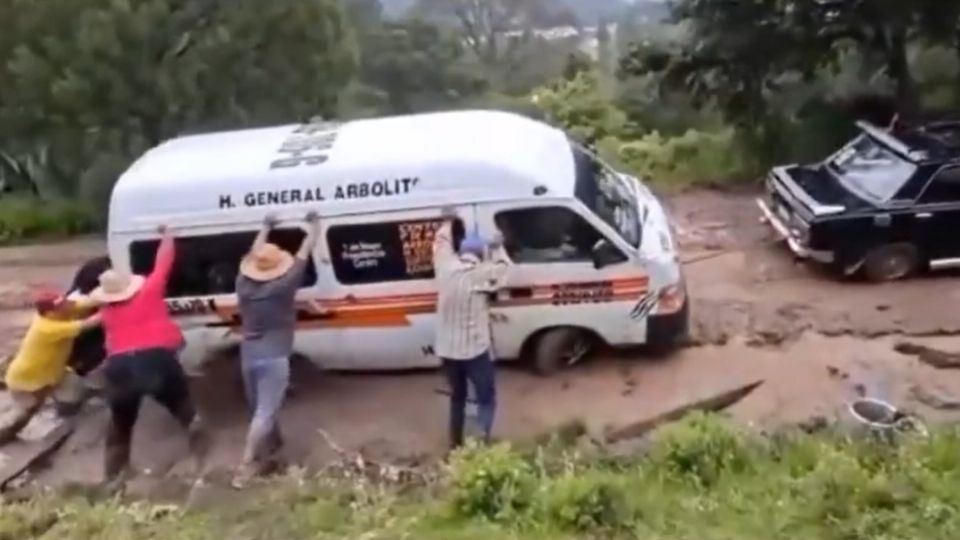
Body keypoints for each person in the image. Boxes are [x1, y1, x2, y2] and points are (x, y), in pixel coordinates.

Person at [89, 225, 209, 487]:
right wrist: (167, 236)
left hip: (120, 366)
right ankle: (200, 466)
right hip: (156, 360)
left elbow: (109, 343)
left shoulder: (107, 312)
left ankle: (113, 479)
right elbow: (164, 263)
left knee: (120, 427)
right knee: (187, 413)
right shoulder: (149, 292)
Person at [232, 212, 320, 487]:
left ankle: (273, 451)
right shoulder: (284, 285)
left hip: (248, 355)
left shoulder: (242, 285)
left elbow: (252, 254)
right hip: (274, 357)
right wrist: (314, 225)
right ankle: (246, 466)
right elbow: (305, 250)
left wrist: (265, 227)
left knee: (259, 409)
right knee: (265, 412)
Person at [432, 206, 509, 449]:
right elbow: (504, 270)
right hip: (474, 351)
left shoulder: (445, 267)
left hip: (447, 350)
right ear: (480, 254)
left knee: (458, 397)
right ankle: (479, 445)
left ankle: (455, 444)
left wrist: (448, 220)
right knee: (486, 398)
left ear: (461, 251)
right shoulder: (482, 274)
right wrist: (497, 248)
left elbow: (441, 242)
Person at [0, 290, 101, 445]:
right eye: (60, 306)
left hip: (51, 373)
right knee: (27, 412)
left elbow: (84, 303)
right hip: (26, 380)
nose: (66, 306)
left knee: (71, 390)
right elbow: (88, 324)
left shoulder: (59, 313)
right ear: (49, 312)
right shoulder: (47, 328)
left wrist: (104, 298)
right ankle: (5, 436)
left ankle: (66, 418)